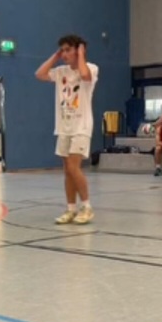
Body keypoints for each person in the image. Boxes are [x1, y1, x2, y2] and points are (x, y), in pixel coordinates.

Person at [35, 34, 98, 223]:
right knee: (67, 170)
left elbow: (85, 76)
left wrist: (81, 54)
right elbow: (39, 74)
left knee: (73, 166)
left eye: (68, 50)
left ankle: (87, 207)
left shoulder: (91, 68)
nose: (64, 54)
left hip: (81, 126)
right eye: (62, 50)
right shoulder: (60, 71)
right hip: (64, 127)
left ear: (79, 50)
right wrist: (56, 56)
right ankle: (71, 209)